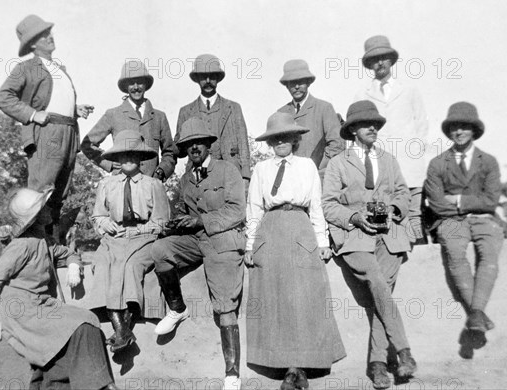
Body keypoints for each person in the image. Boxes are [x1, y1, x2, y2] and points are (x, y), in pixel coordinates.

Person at [244, 112, 346, 390]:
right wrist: (250, 244)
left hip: (300, 229)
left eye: (285, 136)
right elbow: (253, 209)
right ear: (269, 141)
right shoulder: (261, 170)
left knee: (303, 297)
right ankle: (286, 368)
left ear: (295, 139)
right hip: (271, 229)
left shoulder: (307, 167)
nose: (280, 141)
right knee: (275, 299)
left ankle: (300, 367)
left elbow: (316, 206)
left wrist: (322, 242)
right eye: (275, 137)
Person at [0, 187, 118, 390]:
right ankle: (100, 386)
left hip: (41, 304)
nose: (49, 211)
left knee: (87, 319)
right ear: (35, 217)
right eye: (43, 208)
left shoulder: (42, 241)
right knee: (82, 325)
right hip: (21, 310)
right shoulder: (21, 246)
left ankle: (77, 384)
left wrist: (73, 265)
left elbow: (66, 253)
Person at [322, 101, 417, 389]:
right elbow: (328, 205)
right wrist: (354, 216)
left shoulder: (388, 160)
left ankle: (377, 366)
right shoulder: (338, 163)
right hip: (354, 238)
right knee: (377, 283)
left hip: (389, 236)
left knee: (381, 295)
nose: (373, 127)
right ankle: (403, 350)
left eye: (376, 123)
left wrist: (393, 209)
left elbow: (403, 192)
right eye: (366, 124)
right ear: (352, 130)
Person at [151, 118, 246, 390]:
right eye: (188, 144)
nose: (194, 148)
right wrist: (175, 223)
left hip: (224, 239)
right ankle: (177, 309)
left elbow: (236, 211)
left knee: (224, 304)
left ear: (208, 145)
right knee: (160, 250)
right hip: (196, 239)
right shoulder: (185, 179)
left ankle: (232, 373)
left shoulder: (228, 170)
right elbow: (184, 212)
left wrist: (201, 221)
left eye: (198, 143)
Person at [0, 15, 94, 242]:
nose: (49, 37)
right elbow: (3, 98)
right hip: (47, 132)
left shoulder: (60, 69)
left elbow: (52, 99)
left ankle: (51, 247)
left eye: (48, 32)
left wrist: (75, 109)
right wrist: (32, 114)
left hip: (69, 132)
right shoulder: (26, 67)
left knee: (60, 194)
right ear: (32, 44)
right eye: (41, 35)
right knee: (41, 193)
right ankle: (28, 246)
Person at [424, 102, 503, 358]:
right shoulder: (438, 163)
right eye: (454, 127)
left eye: (464, 127)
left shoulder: (488, 161)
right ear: (448, 132)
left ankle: (475, 313)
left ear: (474, 130)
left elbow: (490, 200)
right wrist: (464, 207)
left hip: (483, 220)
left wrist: (456, 200)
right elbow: (436, 203)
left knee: (489, 254)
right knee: (456, 254)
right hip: (453, 223)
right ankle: (477, 313)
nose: (458, 132)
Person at [86, 130, 170, 353]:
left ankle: (123, 331)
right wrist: (105, 224)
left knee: (131, 267)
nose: (128, 159)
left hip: (144, 238)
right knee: (103, 265)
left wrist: (141, 230)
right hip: (113, 239)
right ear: (116, 158)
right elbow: (98, 215)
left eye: (133, 154)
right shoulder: (107, 184)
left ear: (141, 157)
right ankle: (122, 331)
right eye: (123, 155)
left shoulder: (153, 184)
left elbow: (162, 221)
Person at [355, 35, 429, 245]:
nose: (380, 63)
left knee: (413, 215)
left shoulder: (410, 90)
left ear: (391, 60)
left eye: (384, 58)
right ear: (369, 64)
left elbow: (422, 125)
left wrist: (412, 149)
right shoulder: (362, 94)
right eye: (374, 59)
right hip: (380, 167)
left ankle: (420, 264)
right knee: (383, 216)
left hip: (409, 166)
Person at [81, 60, 176, 181]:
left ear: (146, 84)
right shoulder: (113, 114)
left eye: (140, 82)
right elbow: (87, 145)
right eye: (131, 83)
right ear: (126, 86)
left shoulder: (159, 117)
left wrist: (161, 171)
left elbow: (170, 152)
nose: (136, 87)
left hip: (151, 185)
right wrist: (108, 164)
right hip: (122, 185)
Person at [175, 54, 251, 188]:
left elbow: (243, 144)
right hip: (197, 177)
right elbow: (179, 149)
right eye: (203, 77)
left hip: (229, 176)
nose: (208, 80)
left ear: (218, 78)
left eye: (213, 76)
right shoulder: (186, 111)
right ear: (197, 79)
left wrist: (245, 176)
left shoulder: (233, 108)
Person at [277, 59, 344, 184]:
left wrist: (318, 170)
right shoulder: (281, 113)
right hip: (289, 181)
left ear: (308, 83)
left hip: (318, 179)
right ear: (286, 85)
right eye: (292, 83)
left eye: (300, 82)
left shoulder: (324, 108)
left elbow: (336, 144)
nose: (296, 87)